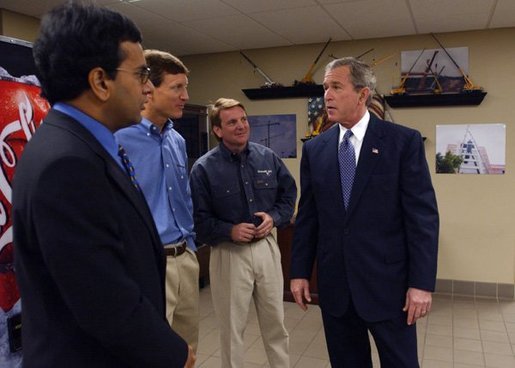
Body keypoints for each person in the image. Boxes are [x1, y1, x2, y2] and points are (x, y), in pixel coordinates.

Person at [12, 2, 195, 367]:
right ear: (100, 81)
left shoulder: (81, 144)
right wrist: (172, 353)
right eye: (141, 74)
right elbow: (102, 298)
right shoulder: (66, 164)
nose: (147, 88)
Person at [290, 57, 439, 368]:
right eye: (325, 87)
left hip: (389, 289)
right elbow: (308, 217)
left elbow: (422, 219)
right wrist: (300, 271)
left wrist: (421, 283)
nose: (326, 96)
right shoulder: (316, 150)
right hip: (336, 289)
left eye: (336, 87)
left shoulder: (402, 142)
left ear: (362, 94)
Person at [190, 98, 297, 368]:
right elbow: (198, 221)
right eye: (232, 122)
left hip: (266, 249)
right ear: (217, 130)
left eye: (244, 120)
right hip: (228, 253)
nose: (241, 126)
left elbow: (288, 197)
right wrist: (230, 230)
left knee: (276, 324)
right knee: (232, 331)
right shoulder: (203, 169)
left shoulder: (267, 157)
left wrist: (273, 218)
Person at [115, 49, 199, 351]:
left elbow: (183, 197)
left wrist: (190, 245)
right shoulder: (119, 138)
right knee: (152, 352)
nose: (185, 95)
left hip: (185, 259)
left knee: (187, 349)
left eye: (185, 87)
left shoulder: (177, 140)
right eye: (177, 87)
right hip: (148, 263)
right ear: (148, 89)